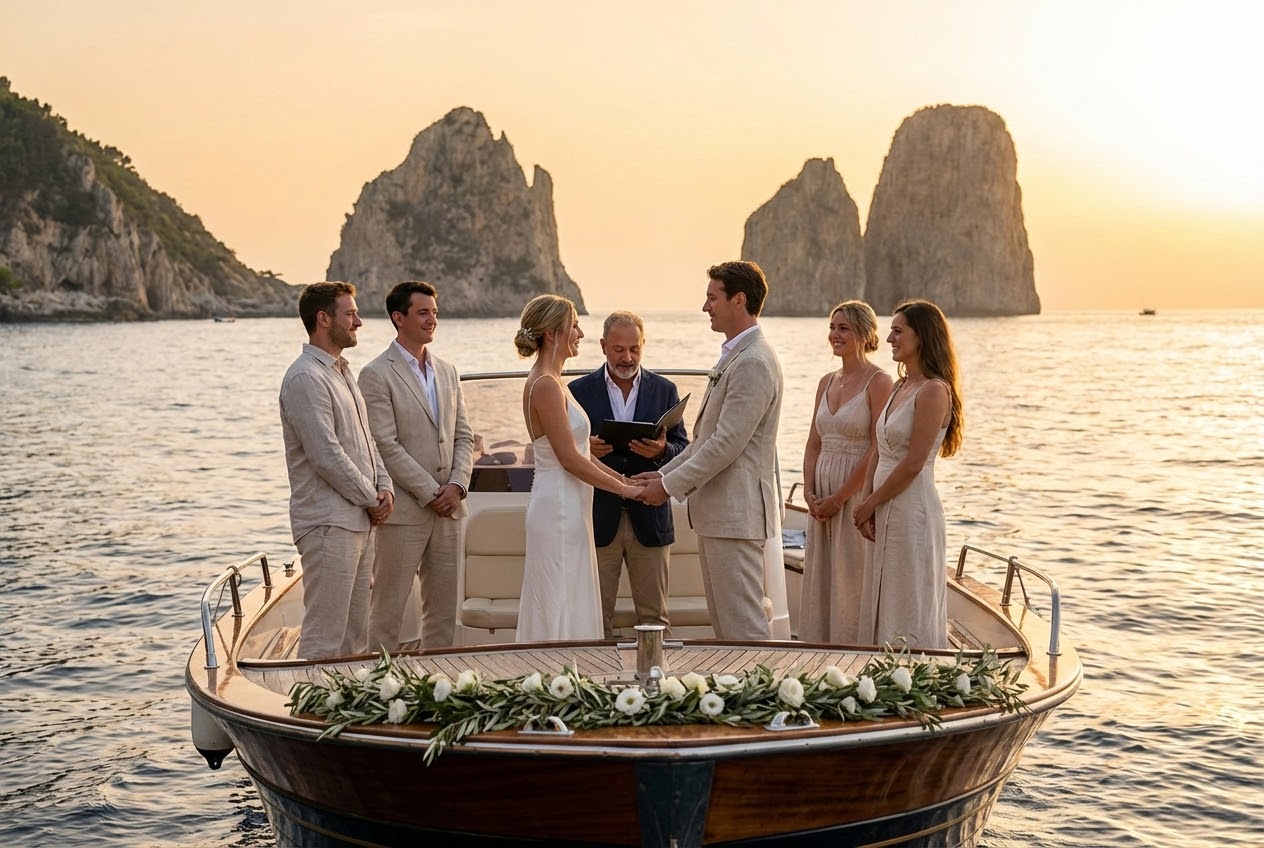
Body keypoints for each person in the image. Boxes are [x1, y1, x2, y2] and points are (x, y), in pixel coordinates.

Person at [636, 261, 783, 640]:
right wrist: (663, 474)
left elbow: (725, 445)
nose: (705, 307)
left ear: (739, 300)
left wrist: (667, 488)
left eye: (712, 298)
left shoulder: (753, 362)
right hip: (720, 515)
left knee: (744, 627)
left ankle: (760, 680)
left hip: (736, 515)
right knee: (727, 628)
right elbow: (705, 440)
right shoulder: (736, 356)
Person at [515, 295, 645, 641]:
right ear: (552, 333)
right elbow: (569, 459)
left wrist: (624, 479)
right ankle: (551, 667)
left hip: (571, 504)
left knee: (570, 595)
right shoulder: (545, 385)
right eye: (574, 325)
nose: (580, 333)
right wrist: (626, 490)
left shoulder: (554, 381)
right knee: (558, 597)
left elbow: (580, 452)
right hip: (558, 507)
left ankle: (571, 667)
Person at [278, 282, 394, 660]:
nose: (358, 322)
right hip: (328, 524)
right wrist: (372, 498)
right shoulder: (305, 378)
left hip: (358, 520)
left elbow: (367, 442)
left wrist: (385, 487)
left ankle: (349, 699)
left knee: (354, 639)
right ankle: (311, 699)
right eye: (350, 314)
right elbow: (326, 455)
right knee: (324, 638)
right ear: (323, 319)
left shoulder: (343, 373)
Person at [359, 281, 474, 652]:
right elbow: (385, 445)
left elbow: (464, 437)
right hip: (405, 512)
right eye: (423, 312)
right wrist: (431, 493)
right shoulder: (376, 374)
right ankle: (377, 680)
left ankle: (436, 679)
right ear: (399, 317)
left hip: (450, 510)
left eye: (434, 312)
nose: (432, 320)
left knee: (443, 612)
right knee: (387, 610)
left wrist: (457, 486)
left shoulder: (448, 371)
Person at [569, 311, 689, 638]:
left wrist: (661, 451)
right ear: (603, 346)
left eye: (635, 349)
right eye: (619, 349)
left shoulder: (664, 389)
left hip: (650, 516)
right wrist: (585, 448)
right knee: (594, 618)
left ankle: (656, 671)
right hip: (597, 516)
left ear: (643, 344)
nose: (628, 357)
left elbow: (683, 447)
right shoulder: (577, 390)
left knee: (655, 620)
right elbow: (564, 449)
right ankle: (595, 671)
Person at [852, 299, 964, 649]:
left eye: (898, 331)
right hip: (883, 503)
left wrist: (870, 503)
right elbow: (879, 447)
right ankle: (877, 664)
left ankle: (910, 666)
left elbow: (914, 463)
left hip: (911, 508)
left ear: (922, 336)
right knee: (882, 592)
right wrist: (866, 501)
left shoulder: (934, 390)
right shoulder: (900, 386)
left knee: (906, 594)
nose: (889, 339)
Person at [800, 301, 894, 643]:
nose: (834, 334)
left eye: (844, 328)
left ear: (864, 334)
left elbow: (877, 448)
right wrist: (809, 493)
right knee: (822, 576)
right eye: (832, 327)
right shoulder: (826, 381)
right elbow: (813, 443)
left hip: (855, 492)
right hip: (821, 494)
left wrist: (839, 499)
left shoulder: (880, 382)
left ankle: (853, 650)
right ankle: (818, 648)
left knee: (851, 576)